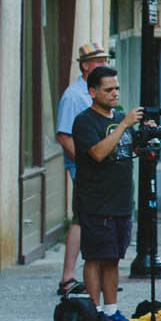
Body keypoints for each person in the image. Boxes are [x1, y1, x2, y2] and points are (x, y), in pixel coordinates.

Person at [70, 63, 144, 321]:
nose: (115, 94)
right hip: (95, 201)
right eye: (108, 89)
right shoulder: (84, 121)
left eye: (117, 89)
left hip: (121, 199)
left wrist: (144, 136)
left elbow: (131, 149)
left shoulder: (118, 119)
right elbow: (99, 153)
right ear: (93, 92)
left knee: (113, 257)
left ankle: (112, 310)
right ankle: (95, 312)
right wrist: (124, 124)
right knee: (95, 257)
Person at [54, 42, 111, 299]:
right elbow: (64, 136)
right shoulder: (74, 96)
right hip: (85, 169)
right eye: (99, 62)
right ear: (86, 65)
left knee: (91, 219)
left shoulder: (93, 92)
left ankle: (96, 276)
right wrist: (87, 164)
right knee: (81, 218)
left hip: (99, 169)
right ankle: (68, 277)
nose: (103, 65)